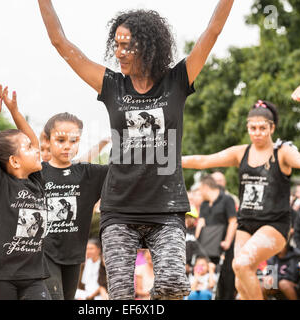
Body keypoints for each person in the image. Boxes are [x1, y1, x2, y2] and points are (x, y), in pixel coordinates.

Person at [38, 0, 235, 300]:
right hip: (119, 209)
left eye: (126, 45)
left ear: (146, 46)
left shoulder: (177, 81)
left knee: (171, 286)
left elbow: (214, 30)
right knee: (121, 295)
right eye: (115, 45)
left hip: (166, 210)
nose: (118, 52)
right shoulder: (112, 85)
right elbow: (60, 43)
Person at [182, 100, 300, 300]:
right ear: (247, 128)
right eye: (253, 128)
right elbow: (204, 160)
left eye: (262, 128)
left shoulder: (281, 152)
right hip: (246, 224)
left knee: (241, 264)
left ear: (272, 128)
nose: (257, 132)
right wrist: (176, 161)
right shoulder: (241, 152)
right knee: (240, 278)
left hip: (273, 224)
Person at [0, 87, 49, 300]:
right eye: (27, 149)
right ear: (15, 161)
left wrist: (15, 112)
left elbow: (34, 141)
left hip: (33, 275)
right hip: (0, 275)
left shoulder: (36, 181)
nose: (36, 150)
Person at [40, 112, 108, 300]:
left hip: (75, 255)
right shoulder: (37, 173)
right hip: (44, 253)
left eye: (73, 140)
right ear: (48, 140)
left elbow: (126, 171)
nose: (67, 146)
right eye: (60, 140)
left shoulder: (87, 173)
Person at [196, 175, 237, 300]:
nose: (199, 192)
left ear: (205, 187)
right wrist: (196, 243)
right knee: (210, 279)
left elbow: (233, 221)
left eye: (199, 189)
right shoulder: (204, 204)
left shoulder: (227, 199)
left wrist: (228, 241)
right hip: (208, 248)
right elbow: (201, 223)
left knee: (227, 279)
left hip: (225, 248)